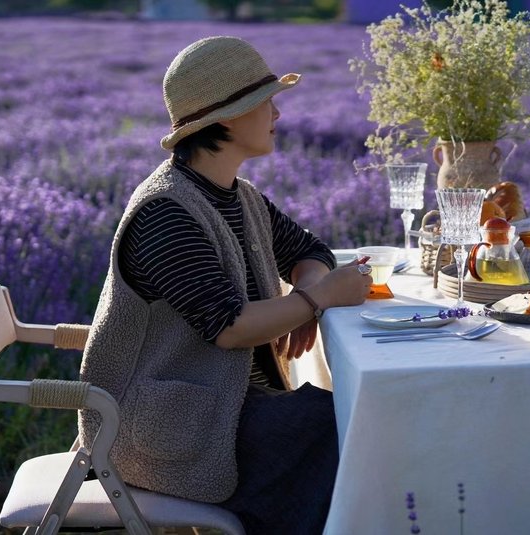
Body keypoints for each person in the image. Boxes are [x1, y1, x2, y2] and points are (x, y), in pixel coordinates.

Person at [78, 36, 372, 534]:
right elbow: (230, 328)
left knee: (345, 419)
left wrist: (307, 304)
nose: (277, 113)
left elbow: (310, 252)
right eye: (266, 101)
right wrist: (315, 299)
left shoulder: (241, 196)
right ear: (230, 118)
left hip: (223, 405)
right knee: (335, 426)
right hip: (164, 429)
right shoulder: (165, 212)